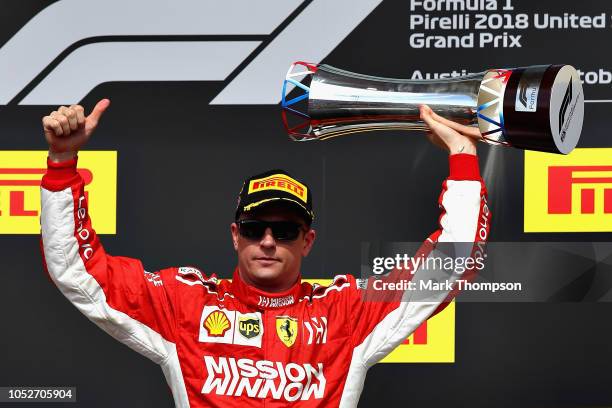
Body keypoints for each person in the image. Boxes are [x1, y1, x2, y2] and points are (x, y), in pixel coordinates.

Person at [40, 99, 490, 407]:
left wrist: (463, 153)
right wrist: (62, 163)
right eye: (255, 228)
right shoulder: (185, 304)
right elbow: (80, 274)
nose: (269, 241)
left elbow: (448, 268)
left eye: (287, 229)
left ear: (307, 240)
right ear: (236, 235)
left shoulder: (344, 313)